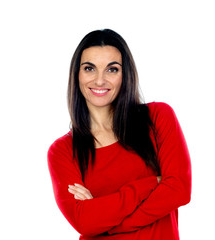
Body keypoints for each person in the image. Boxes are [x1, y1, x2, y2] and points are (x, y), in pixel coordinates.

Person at [47, 29, 191, 240]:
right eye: (89, 68)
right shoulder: (62, 151)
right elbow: (84, 222)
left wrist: (106, 219)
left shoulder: (158, 117)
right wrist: (153, 183)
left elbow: (179, 189)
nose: (99, 80)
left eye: (112, 69)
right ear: (77, 74)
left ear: (125, 74)